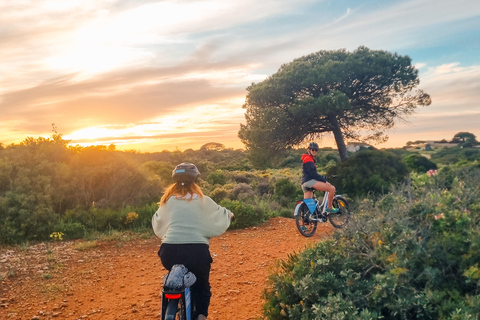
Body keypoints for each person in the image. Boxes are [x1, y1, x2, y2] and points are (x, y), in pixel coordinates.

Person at [152, 162, 234, 320]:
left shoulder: (167, 202)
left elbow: (157, 222)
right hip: (197, 254)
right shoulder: (204, 201)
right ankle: (201, 315)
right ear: (195, 181)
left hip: (169, 254)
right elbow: (223, 215)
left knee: (174, 276)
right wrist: (230, 217)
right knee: (202, 286)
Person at [301, 142, 338, 213]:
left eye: (316, 150)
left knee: (308, 206)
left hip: (304, 183)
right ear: (309, 150)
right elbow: (313, 174)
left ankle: (305, 221)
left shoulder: (306, 158)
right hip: (310, 181)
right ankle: (329, 207)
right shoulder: (308, 159)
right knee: (332, 189)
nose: (314, 151)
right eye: (312, 150)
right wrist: (324, 180)